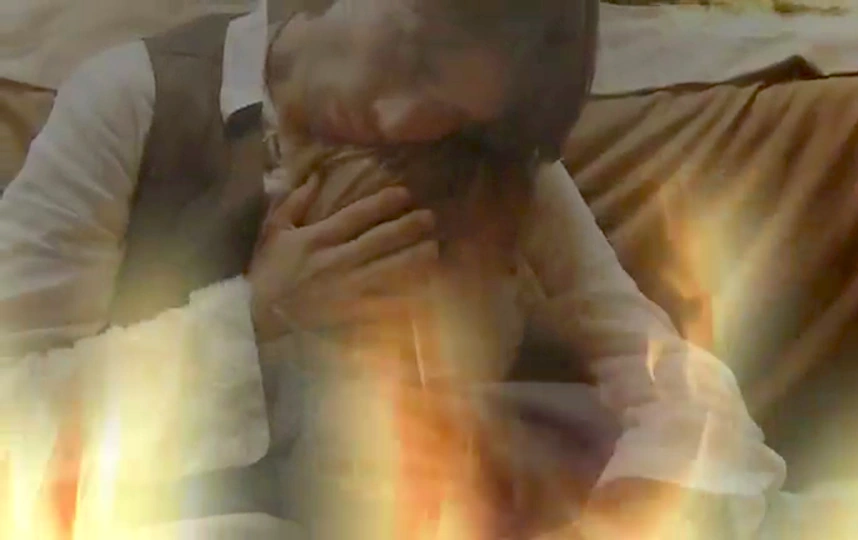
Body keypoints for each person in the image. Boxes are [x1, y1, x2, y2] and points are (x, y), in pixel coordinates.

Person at [0, 0, 791, 537]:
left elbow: (678, 389)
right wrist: (253, 316)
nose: (403, 119)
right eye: (413, 56)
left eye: (454, 110)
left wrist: (621, 518)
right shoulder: (136, 101)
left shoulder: (491, 163)